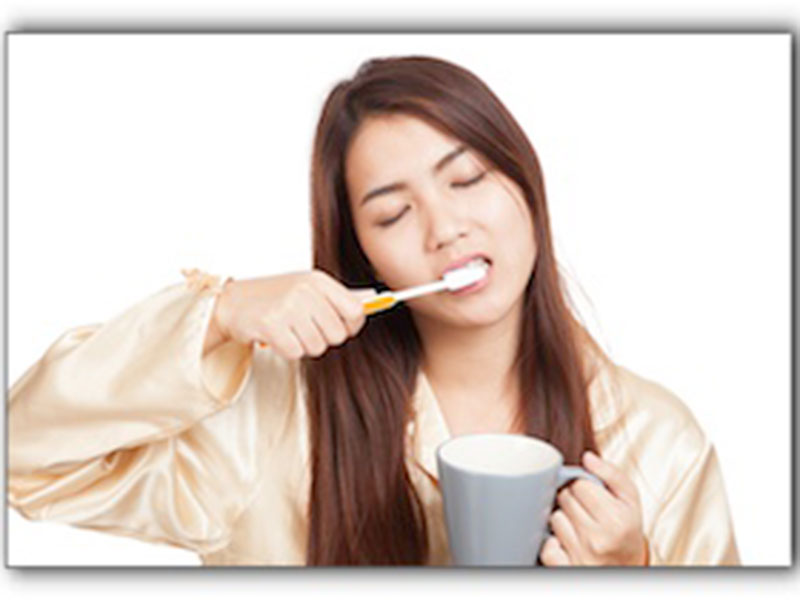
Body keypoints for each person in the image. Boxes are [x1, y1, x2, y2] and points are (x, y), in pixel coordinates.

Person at [7, 55, 739, 566]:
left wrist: (634, 576)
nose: (444, 228)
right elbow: (22, 453)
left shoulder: (656, 441)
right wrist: (219, 314)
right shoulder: (265, 424)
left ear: (527, 187)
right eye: (393, 215)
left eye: (469, 179)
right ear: (361, 259)